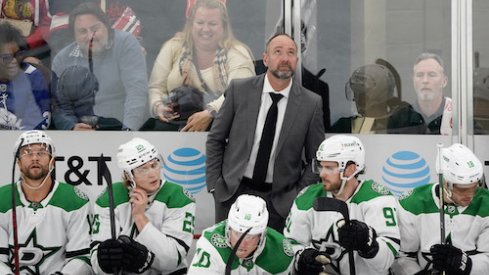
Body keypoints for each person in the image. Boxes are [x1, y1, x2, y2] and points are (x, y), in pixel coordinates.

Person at [206, 32, 325, 232]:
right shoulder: (239, 90)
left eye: (290, 53)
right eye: (277, 52)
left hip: (279, 203)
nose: (285, 58)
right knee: (228, 257)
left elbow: (316, 159)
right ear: (266, 58)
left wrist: (297, 196)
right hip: (233, 195)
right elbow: (216, 138)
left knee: (272, 261)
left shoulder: (311, 103)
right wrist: (215, 185)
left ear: (296, 60)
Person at [284, 135, 400, 275]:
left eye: (329, 168)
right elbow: (290, 245)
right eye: (321, 166)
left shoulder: (378, 199)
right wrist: (302, 257)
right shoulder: (307, 198)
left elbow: (388, 260)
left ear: (350, 170)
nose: (322, 174)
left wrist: (369, 244)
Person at [90, 137, 196, 274]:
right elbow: (96, 263)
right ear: (129, 175)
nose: (152, 173)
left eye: (154, 165)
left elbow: (171, 260)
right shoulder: (109, 196)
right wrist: (105, 261)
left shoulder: (179, 196)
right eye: (143, 169)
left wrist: (140, 217)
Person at [147, 0, 255, 132]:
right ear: (191, 24)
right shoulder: (173, 47)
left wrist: (210, 113)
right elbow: (156, 87)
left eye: (212, 24)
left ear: (224, 27)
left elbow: (240, 93)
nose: (205, 29)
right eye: (200, 22)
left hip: (221, 132)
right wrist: (158, 107)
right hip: (173, 130)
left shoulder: (238, 53)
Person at [0, 130, 92, 274]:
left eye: (42, 152)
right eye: (27, 153)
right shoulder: (2, 200)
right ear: (18, 162)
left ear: (52, 161)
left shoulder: (74, 201)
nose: (35, 158)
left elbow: (82, 257)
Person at [391, 143, 489, 275]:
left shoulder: (486, 203)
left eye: (475, 187)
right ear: (445, 182)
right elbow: (403, 257)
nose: (470, 195)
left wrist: (467, 264)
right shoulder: (411, 204)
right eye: (463, 189)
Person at [51, 2, 149, 131]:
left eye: (95, 29)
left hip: (121, 127)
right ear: (74, 36)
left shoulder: (126, 43)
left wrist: (128, 131)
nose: (90, 36)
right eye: (82, 31)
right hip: (82, 133)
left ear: (107, 27)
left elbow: (136, 92)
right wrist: (72, 128)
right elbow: (60, 106)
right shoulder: (62, 59)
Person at [188, 194, 295, 274]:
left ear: (261, 236)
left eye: (250, 237)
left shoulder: (281, 251)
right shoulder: (210, 244)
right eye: (238, 234)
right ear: (228, 229)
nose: (242, 244)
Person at [330, 63, 410, 133]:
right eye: (355, 93)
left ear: (379, 94)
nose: (355, 99)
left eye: (361, 94)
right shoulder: (344, 126)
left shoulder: (403, 124)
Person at [0, 21, 51, 130]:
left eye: (18, 54)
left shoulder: (33, 76)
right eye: (7, 57)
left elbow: (41, 122)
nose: (14, 61)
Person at [388, 52, 452, 135]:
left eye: (432, 75)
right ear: (413, 81)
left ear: (444, 81)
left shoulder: (458, 116)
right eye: (420, 75)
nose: (425, 80)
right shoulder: (398, 119)